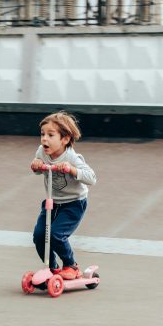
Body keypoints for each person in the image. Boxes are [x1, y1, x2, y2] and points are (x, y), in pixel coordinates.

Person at [30, 111, 97, 280]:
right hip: (52, 202)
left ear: (65, 139)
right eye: (42, 134)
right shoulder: (42, 152)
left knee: (55, 234)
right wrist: (36, 165)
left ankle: (71, 266)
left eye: (50, 135)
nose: (44, 139)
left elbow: (91, 178)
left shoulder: (72, 157)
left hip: (73, 203)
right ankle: (52, 268)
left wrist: (72, 169)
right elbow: (38, 170)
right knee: (39, 236)